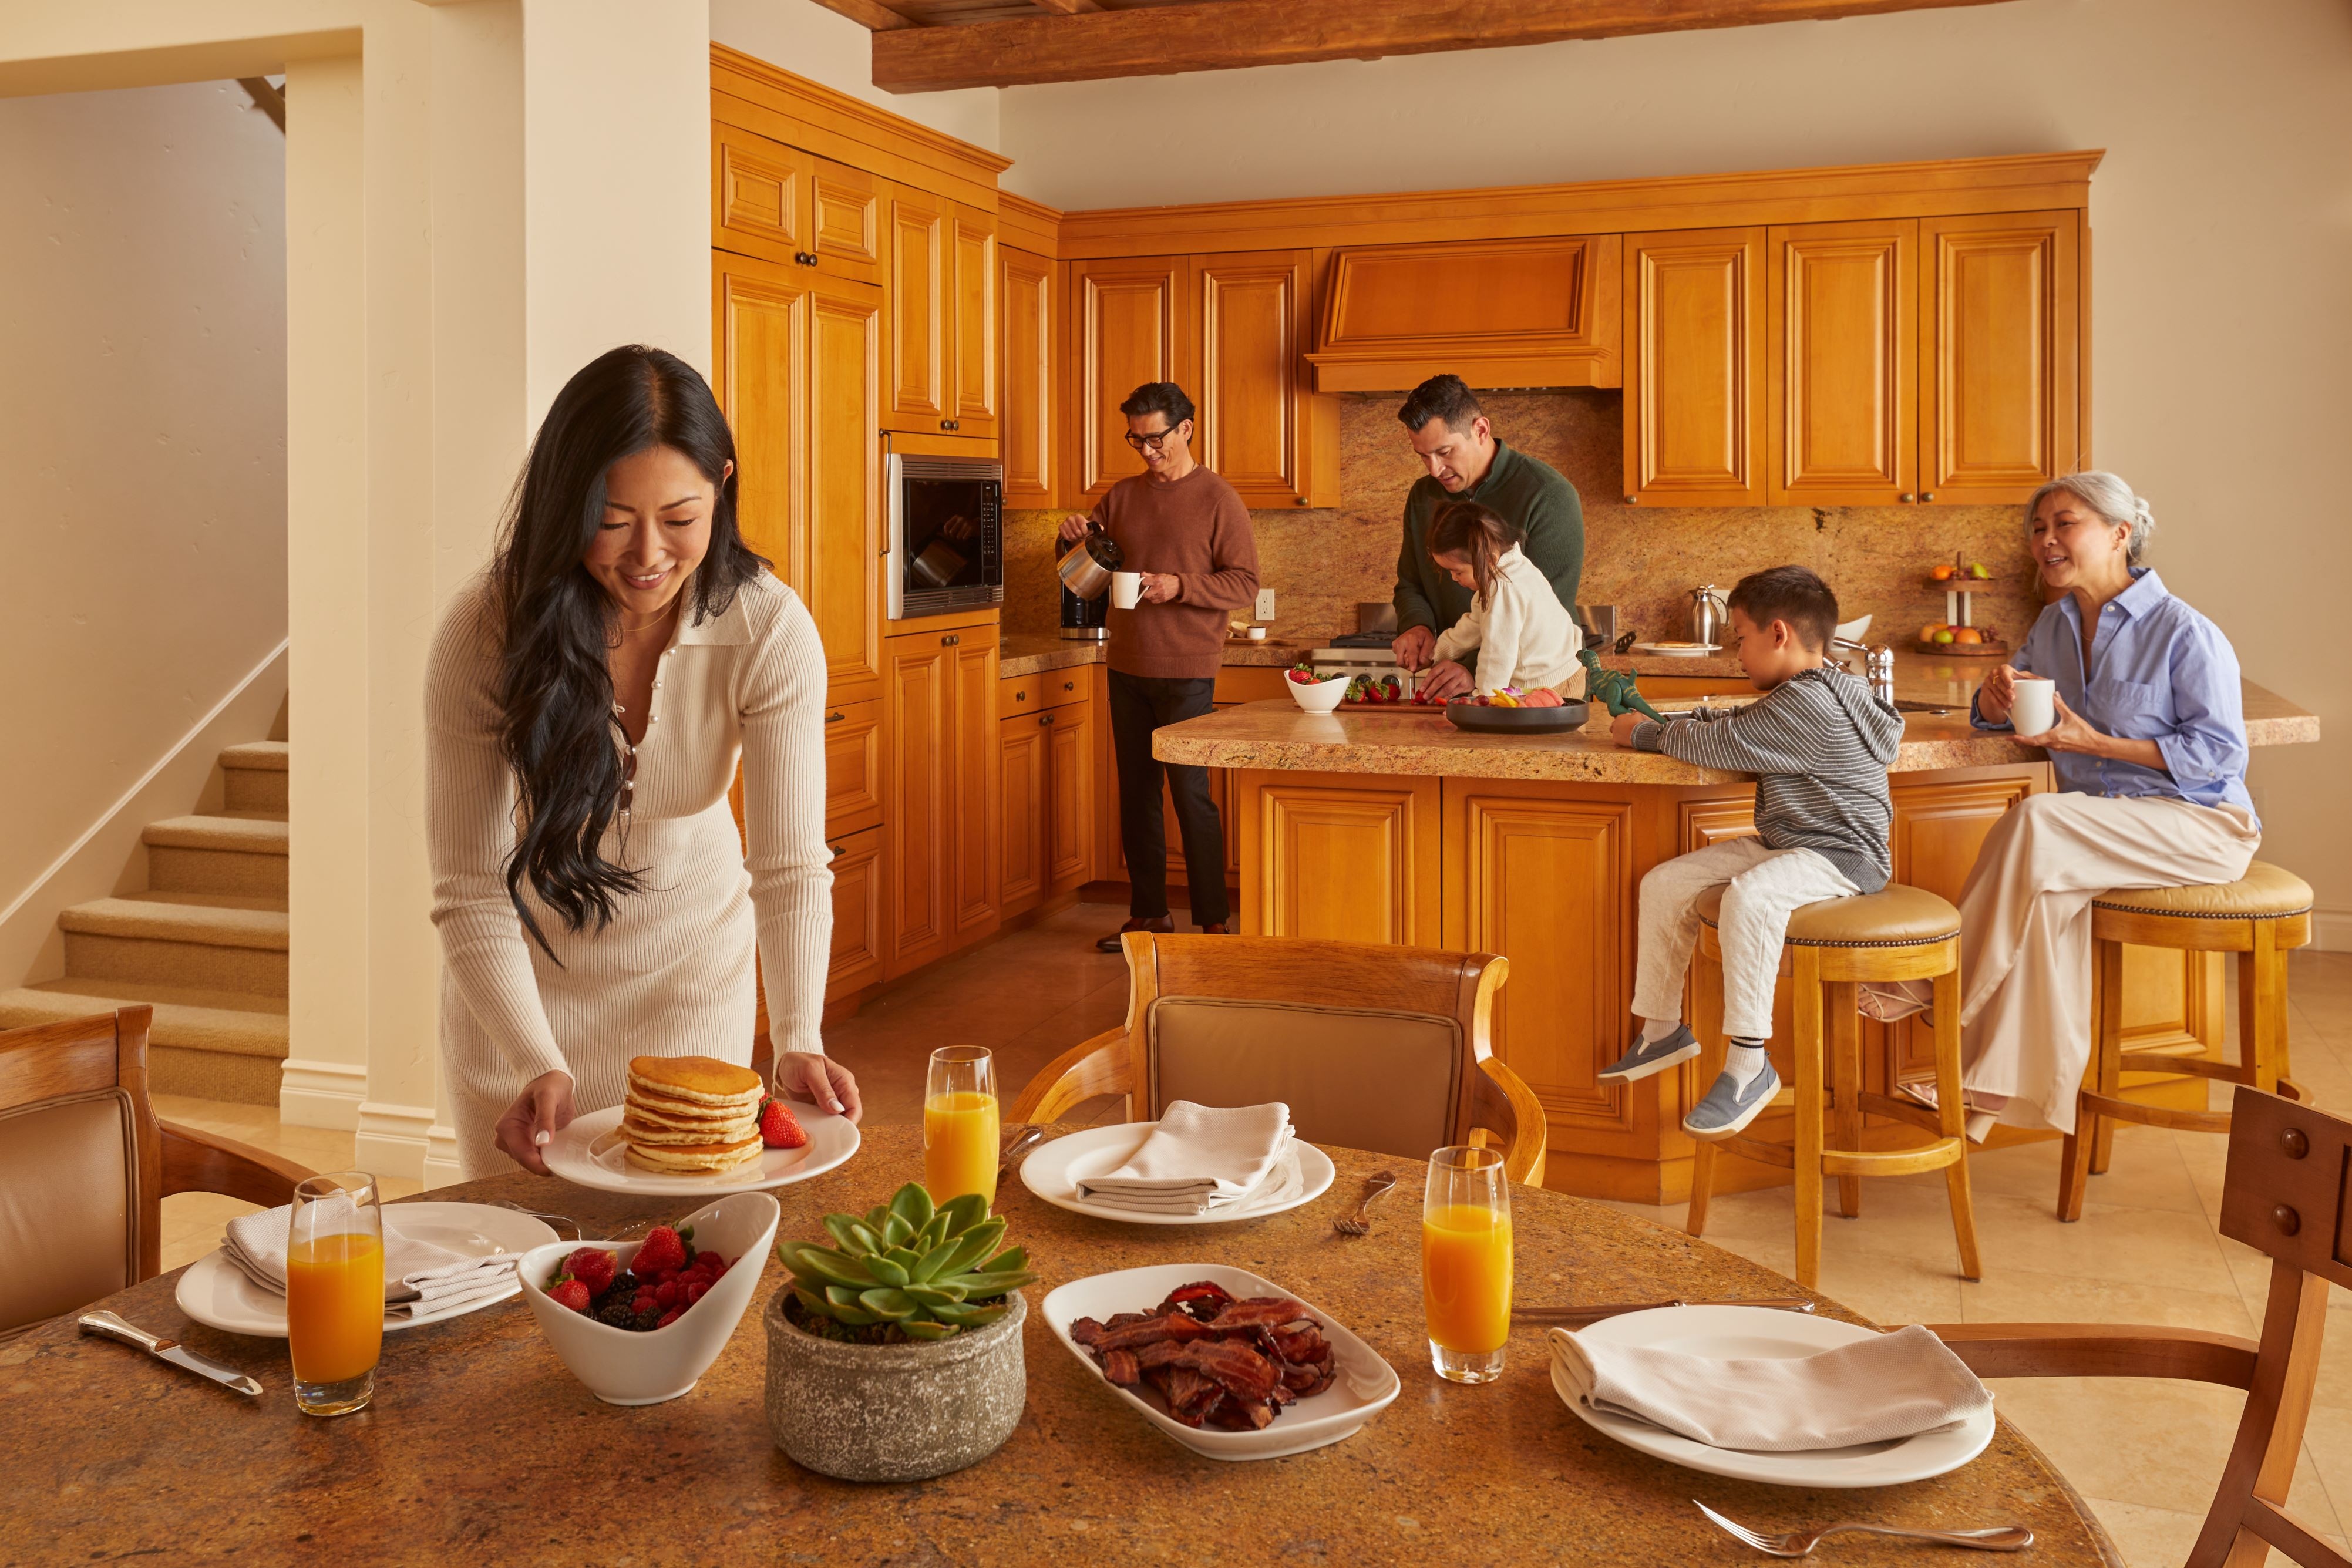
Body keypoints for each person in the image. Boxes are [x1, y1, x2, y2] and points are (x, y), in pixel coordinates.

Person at [426, 345, 862, 1179]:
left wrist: (798, 1033)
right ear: (564, 503)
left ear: (722, 487)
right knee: (527, 1264)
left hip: (692, 989)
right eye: (613, 520)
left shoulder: (768, 628)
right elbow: (467, 884)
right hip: (519, 1007)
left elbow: (790, 863)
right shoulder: (485, 632)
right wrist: (532, 1057)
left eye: (681, 517)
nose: (648, 554)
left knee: (680, 1252)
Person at [1862, 473, 2259, 1140]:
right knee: (2041, 901)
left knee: (2037, 820)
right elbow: (2008, 712)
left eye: (2064, 524)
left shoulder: (2185, 632)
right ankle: (1986, 1089)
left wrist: (2097, 741)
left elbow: (2219, 756)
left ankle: (1938, 981)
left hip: (2202, 826)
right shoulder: (2054, 623)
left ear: (2120, 533)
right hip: (2101, 830)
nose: (2045, 540)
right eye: (2039, 529)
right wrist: (1991, 701)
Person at [1595, 566, 1903, 1140]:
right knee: (1666, 883)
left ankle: (1749, 1063)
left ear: (1778, 634)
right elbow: (1741, 725)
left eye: (1740, 637)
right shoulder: (1822, 689)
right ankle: (1662, 1029)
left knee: (1750, 900)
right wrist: (1682, 720)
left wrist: (1640, 733)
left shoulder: (1808, 705)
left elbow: (1724, 739)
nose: (1736, 653)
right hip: (1794, 842)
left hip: (1841, 855)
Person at [1055, 382, 1260, 953]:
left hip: (1189, 667)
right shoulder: (1120, 498)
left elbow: (1244, 583)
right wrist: (1076, 538)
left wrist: (1180, 585)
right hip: (1126, 665)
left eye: (1155, 439)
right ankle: (1148, 917)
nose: (1146, 451)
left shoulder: (1220, 498)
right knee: (1137, 794)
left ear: (1186, 429)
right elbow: (1085, 572)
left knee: (1191, 794)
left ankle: (1213, 922)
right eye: (1136, 440)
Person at [1389, 374, 1584, 701]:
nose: (1434, 470)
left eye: (1445, 451)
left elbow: (1545, 610)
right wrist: (1416, 626)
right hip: (1460, 691)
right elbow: (1411, 582)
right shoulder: (1423, 496)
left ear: (1480, 430)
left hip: (1538, 690)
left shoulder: (1548, 495)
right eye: (1423, 456)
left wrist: (1471, 671)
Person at [1425, 500, 1586, 699]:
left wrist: (1483, 699)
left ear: (1488, 559)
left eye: (1458, 571)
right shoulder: (1510, 569)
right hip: (1555, 677)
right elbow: (1474, 625)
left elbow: (1497, 653)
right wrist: (1436, 652)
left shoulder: (1504, 588)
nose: (1453, 578)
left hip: (1547, 687)